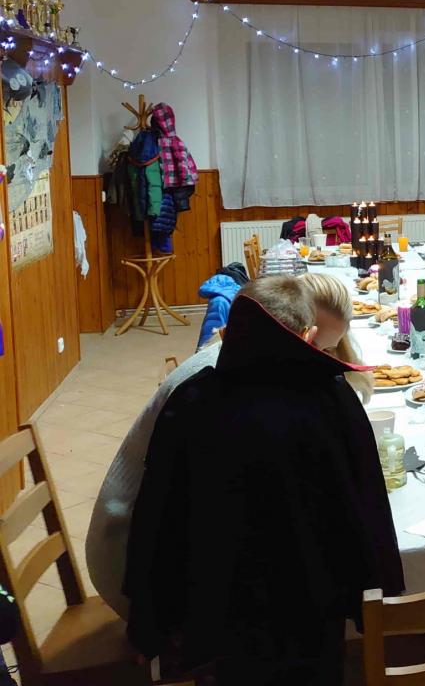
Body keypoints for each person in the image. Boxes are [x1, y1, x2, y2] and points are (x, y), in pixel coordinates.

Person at [123, 276, 402, 685]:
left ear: (226, 334)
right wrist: (377, 594)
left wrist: (149, 622)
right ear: (308, 336)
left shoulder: (194, 401)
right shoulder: (332, 397)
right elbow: (367, 501)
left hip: (220, 608)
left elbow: (158, 516)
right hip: (314, 602)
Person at [89, 273, 373, 621]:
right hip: (126, 559)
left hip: (164, 559)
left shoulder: (242, 363)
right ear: (302, 333)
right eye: (314, 350)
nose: (316, 361)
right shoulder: (211, 389)